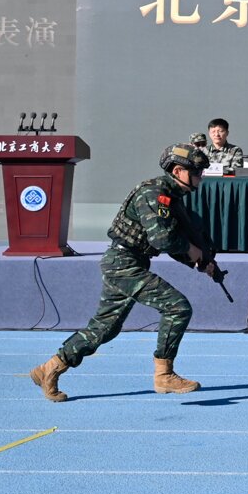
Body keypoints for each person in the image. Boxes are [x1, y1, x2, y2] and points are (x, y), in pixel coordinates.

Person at [29, 143, 215, 401]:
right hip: (124, 263)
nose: (200, 178)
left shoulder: (171, 197)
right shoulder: (154, 193)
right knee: (177, 308)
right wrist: (191, 251)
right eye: (196, 172)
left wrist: (199, 262)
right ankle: (164, 375)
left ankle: (50, 368)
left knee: (105, 329)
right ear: (177, 171)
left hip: (128, 262)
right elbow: (162, 239)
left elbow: (172, 240)